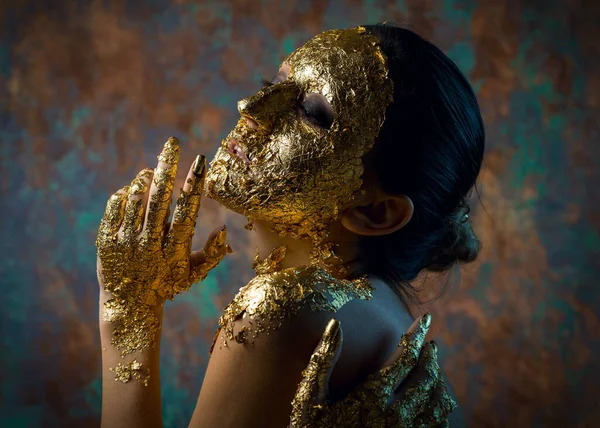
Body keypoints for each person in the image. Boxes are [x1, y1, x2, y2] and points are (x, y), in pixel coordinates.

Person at [96, 22, 483, 427]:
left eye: (311, 114)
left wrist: (127, 315)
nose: (251, 106)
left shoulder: (284, 311)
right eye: (274, 82)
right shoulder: (384, 318)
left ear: (376, 212)